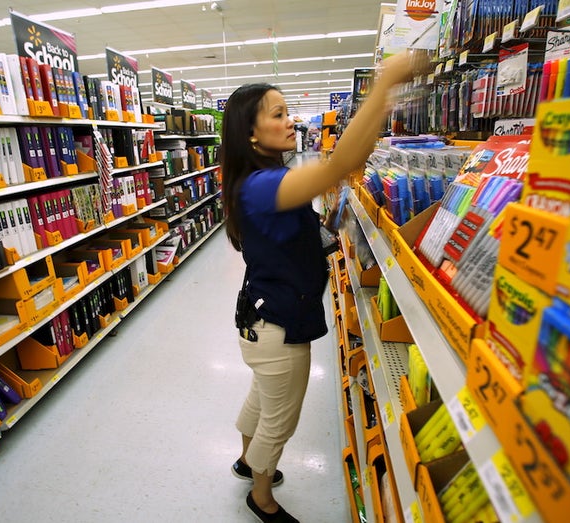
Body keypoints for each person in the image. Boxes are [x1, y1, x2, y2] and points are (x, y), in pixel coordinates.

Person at [220, 50, 430, 522]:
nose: (290, 119)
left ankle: (244, 459)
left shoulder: (259, 179)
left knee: (262, 396)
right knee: (281, 418)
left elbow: (333, 181)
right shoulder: (259, 186)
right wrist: (385, 85)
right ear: (251, 134)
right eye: (278, 114)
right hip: (278, 327)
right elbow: (340, 165)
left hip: (260, 322)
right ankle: (261, 496)